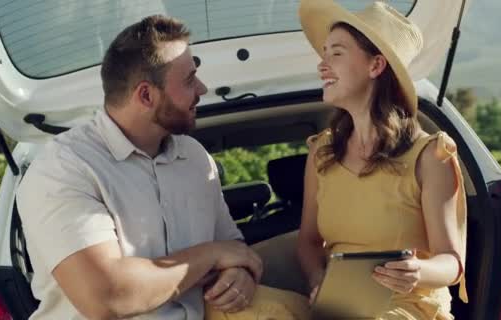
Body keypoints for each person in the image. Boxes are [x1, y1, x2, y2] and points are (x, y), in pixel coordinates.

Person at [17, 15, 308, 320]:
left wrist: (240, 274)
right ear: (145, 95)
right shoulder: (63, 168)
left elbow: (232, 247)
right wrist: (210, 255)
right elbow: (108, 297)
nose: (203, 88)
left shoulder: (194, 158)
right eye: (189, 80)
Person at [296, 0, 468, 319]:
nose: (322, 64)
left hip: (408, 306)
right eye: (324, 52)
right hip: (339, 308)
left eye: (336, 52)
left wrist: (418, 271)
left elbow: (452, 263)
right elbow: (308, 242)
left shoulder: (430, 155)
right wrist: (319, 283)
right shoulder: (320, 152)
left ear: (375, 66)